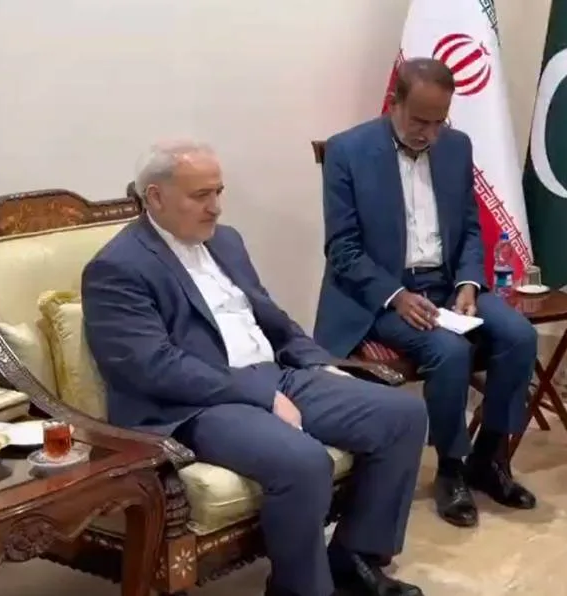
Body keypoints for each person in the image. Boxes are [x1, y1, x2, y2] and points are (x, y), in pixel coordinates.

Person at [82, 140, 427, 596]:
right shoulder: (117, 268)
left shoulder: (225, 241)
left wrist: (318, 363)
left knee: (402, 415)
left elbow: (271, 318)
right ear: (156, 197)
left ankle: (354, 560)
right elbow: (153, 367)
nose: (216, 207)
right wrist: (262, 396)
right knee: (303, 462)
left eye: (218, 192)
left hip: (273, 374)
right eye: (200, 195)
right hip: (194, 404)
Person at [314, 57, 539, 529]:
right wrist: (396, 295)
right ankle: (452, 468)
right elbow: (342, 249)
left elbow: (471, 229)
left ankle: (490, 457)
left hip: (445, 284)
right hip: (377, 294)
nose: (429, 134)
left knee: (519, 335)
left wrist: (468, 283)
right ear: (394, 103)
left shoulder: (456, 147)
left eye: (439, 122)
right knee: (449, 351)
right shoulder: (347, 151)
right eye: (420, 121)